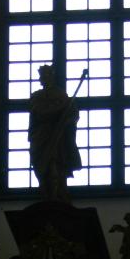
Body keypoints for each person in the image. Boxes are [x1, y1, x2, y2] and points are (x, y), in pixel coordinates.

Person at [28, 65, 82, 201]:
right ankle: (46, 192)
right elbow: (40, 112)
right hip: (41, 136)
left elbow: (73, 114)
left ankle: (58, 193)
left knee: (57, 164)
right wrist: (62, 107)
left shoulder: (61, 94)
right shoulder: (37, 96)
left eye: (45, 75)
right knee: (41, 164)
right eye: (42, 76)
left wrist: (68, 116)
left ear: (51, 77)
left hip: (58, 136)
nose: (42, 78)